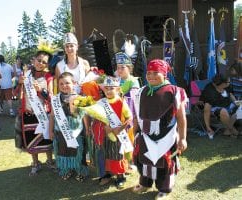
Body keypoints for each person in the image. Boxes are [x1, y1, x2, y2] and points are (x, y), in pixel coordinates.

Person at [132, 59, 187, 200]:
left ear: (164, 74)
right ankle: (145, 183)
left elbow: (181, 118)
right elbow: (136, 115)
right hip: (145, 135)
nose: (151, 76)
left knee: (164, 163)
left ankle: (164, 188)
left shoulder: (174, 91)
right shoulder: (141, 91)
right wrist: (134, 133)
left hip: (166, 136)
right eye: (148, 73)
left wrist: (182, 138)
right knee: (144, 160)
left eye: (156, 73)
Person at [91, 76, 133, 189]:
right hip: (105, 134)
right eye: (107, 88)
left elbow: (129, 118)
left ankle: (120, 176)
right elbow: (97, 118)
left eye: (112, 88)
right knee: (106, 154)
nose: (109, 91)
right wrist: (104, 127)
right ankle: (108, 174)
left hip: (118, 134)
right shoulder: (100, 102)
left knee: (117, 155)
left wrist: (119, 128)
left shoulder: (121, 102)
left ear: (118, 89)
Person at [18, 50, 55, 176]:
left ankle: (50, 161)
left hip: (43, 113)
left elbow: (51, 97)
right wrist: (19, 83)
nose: (40, 63)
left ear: (47, 64)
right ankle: (35, 163)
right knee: (30, 138)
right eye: (39, 60)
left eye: (44, 62)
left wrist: (40, 90)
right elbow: (15, 93)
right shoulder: (26, 74)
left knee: (46, 138)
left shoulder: (49, 77)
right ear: (34, 60)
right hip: (28, 113)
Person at [49, 72, 90, 182]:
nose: (64, 86)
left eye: (67, 83)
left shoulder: (80, 98)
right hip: (60, 132)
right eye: (61, 84)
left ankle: (80, 170)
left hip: (76, 131)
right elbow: (52, 116)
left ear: (74, 83)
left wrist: (87, 129)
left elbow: (85, 115)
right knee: (63, 151)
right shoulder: (55, 99)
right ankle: (66, 169)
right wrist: (50, 131)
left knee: (77, 151)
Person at [200, 73, 239, 139]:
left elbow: (231, 95)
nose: (229, 83)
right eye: (228, 82)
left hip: (228, 105)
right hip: (215, 107)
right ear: (222, 83)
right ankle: (233, 130)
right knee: (223, 111)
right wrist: (208, 127)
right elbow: (207, 110)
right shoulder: (210, 91)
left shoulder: (227, 86)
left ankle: (227, 130)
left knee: (240, 108)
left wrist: (237, 103)